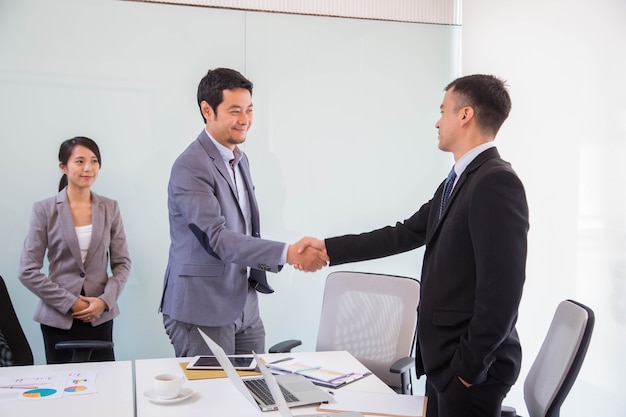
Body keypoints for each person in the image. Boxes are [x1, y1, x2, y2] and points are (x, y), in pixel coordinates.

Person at [297, 74, 529, 417]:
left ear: (465, 115)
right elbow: (403, 234)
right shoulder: (460, 181)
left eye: (443, 110)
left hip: (469, 371)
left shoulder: (495, 182)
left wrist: (466, 369)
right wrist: (328, 248)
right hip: (445, 362)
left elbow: (503, 293)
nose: (437, 121)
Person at [160, 67, 328, 357]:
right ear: (207, 110)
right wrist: (287, 253)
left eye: (249, 110)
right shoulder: (191, 165)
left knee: (255, 391)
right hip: (203, 308)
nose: (245, 120)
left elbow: (245, 230)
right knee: (213, 399)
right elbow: (218, 239)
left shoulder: (239, 158)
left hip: (244, 303)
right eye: (234, 111)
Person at [19, 136, 131, 364]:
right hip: (58, 318)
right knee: (62, 390)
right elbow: (27, 270)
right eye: (79, 161)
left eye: (94, 161)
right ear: (63, 166)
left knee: (103, 385)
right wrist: (70, 302)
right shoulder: (45, 210)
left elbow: (122, 264)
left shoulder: (110, 207)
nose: (88, 168)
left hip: (99, 316)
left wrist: (104, 300)